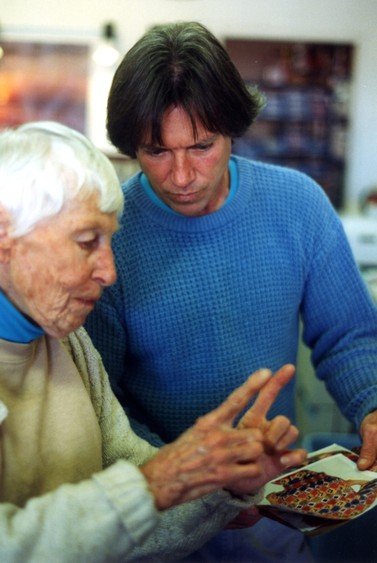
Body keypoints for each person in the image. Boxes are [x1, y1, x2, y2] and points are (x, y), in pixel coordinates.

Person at [85, 21, 377, 562]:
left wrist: (372, 405)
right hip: (160, 514)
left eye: (202, 146)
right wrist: (196, 479)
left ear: (233, 129)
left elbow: (350, 335)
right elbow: (103, 402)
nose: (180, 176)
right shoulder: (109, 238)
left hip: (275, 509)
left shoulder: (299, 206)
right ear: (130, 146)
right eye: (155, 151)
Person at [0, 121, 307, 563]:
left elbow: (131, 502)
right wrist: (154, 485)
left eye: (110, 241)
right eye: (87, 241)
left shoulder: (69, 343)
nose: (109, 272)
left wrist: (219, 480)